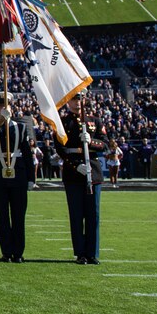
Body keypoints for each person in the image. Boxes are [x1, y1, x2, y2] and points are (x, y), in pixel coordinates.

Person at [56, 91, 108, 265]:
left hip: (93, 170)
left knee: (93, 214)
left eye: (79, 99)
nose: (77, 102)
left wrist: (91, 141)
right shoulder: (63, 123)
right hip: (73, 172)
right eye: (73, 99)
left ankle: (92, 253)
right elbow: (60, 149)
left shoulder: (95, 121)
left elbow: (105, 144)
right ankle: (80, 253)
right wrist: (76, 165)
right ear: (67, 101)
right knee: (76, 215)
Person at [0, 92, 35, 263]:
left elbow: (27, 154)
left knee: (19, 216)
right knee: (2, 216)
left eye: (6, 105)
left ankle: (18, 252)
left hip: (18, 174)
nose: (3, 108)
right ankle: (6, 251)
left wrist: (31, 178)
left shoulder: (20, 127)